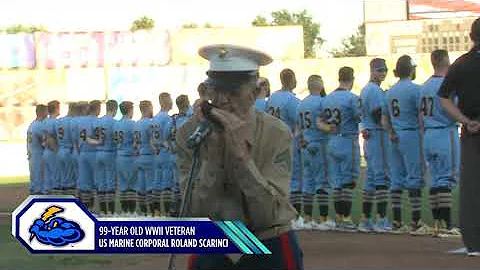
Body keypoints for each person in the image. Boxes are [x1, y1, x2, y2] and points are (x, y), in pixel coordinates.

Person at [176, 44, 303, 269]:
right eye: (215, 91)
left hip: (267, 237)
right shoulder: (190, 133)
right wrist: (212, 159)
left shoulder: (276, 133)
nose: (223, 100)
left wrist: (242, 157)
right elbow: (195, 211)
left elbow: (269, 215)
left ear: (255, 92)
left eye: (234, 92)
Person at [438, 17, 480, 256]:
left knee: (472, 187)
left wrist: (464, 120)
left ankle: (474, 242)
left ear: (471, 37)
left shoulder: (461, 63)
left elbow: (444, 97)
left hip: (472, 130)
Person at [386, 55, 430, 235]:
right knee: (414, 177)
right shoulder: (416, 89)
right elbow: (421, 115)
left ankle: (396, 221)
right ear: (411, 70)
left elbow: (384, 117)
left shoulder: (389, 91)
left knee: (396, 178)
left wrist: (391, 132)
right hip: (411, 134)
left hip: (394, 135)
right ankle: (416, 222)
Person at [419, 49, 461, 237]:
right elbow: (455, 107)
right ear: (447, 62)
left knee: (435, 179)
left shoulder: (424, 85)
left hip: (428, 135)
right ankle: (447, 224)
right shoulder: (448, 84)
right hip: (445, 132)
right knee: (446, 178)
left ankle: (437, 222)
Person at [317, 67, 361, 232]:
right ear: (352, 78)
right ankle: (346, 217)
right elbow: (359, 117)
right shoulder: (352, 98)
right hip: (347, 139)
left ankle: (339, 217)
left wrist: (329, 128)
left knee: (336, 182)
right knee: (348, 181)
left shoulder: (327, 98)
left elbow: (319, 121)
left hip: (332, 140)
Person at [358, 58, 393, 233]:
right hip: (377, 134)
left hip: (370, 134)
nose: (383, 73)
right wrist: (391, 131)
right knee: (381, 176)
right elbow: (378, 114)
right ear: (372, 71)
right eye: (379, 70)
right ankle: (380, 218)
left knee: (371, 178)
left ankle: (366, 219)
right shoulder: (374, 90)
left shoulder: (367, 89)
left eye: (384, 70)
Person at [266, 69, 303, 229]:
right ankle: (294, 216)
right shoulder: (292, 100)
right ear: (292, 79)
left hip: (272, 142)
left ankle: (276, 213)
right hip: (288, 142)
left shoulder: (273, 97)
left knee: (274, 177)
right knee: (294, 178)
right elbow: (299, 123)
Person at [296, 74, 334, 231]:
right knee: (322, 181)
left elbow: (298, 127)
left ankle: (307, 218)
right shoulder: (322, 102)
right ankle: (324, 218)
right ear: (321, 85)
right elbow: (323, 123)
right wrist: (332, 129)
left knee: (308, 182)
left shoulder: (301, 104)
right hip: (319, 144)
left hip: (305, 144)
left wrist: (303, 140)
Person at [88, 100, 118, 216]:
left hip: (98, 153)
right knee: (110, 182)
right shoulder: (114, 122)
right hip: (110, 153)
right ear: (114, 109)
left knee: (101, 182)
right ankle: (110, 211)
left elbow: (88, 139)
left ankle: (102, 211)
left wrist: (98, 142)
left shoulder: (97, 121)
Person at [152, 93, 174, 217]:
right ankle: (166, 212)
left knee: (156, 182)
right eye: (170, 100)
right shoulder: (168, 119)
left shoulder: (155, 118)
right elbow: (167, 137)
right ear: (166, 102)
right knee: (166, 183)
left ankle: (156, 211)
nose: (172, 103)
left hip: (156, 154)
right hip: (165, 153)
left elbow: (151, 139)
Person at [114, 101, 137, 216]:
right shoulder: (132, 123)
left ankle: (123, 211)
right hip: (129, 156)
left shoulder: (116, 124)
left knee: (122, 185)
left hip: (119, 156)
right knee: (132, 184)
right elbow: (136, 141)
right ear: (130, 110)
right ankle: (131, 212)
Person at [77, 100, 101, 211]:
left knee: (85, 183)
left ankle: (87, 209)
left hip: (82, 153)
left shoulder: (79, 121)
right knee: (98, 182)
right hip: (94, 152)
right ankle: (100, 210)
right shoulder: (97, 121)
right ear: (97, 109)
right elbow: (98, 138)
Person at [134, 100, 155, 217]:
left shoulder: (136, 123)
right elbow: (152, 142)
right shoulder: (150, 123)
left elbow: (135, 144)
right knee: (151, 186)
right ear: (148, 108)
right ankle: (152, 213)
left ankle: (142, 213)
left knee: (141, 186)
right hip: (149, 156)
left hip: (139, 157)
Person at [56, 102, 76, 196]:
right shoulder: (72, 121)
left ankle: (63, 201)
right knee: (71, 179)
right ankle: (71, 202)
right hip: (69, 150)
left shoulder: (59, 121)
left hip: (60, 150)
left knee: (63, 179)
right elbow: (74, 138)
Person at [27, 104, 48, 195]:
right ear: (42, 112)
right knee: (40, 182)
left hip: (32, 154)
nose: (47, 114)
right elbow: (44, 142)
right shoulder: (40, 125)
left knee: (34, 181)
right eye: (46, 111)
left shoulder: (32, 124)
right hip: (39, 155)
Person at [42, 100, 60, 195]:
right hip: (52, 151)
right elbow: (50, 138)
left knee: (47, 178)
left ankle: (46, 201)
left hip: (45, 151)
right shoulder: (55, 122)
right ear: (56, 109)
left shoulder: (45, 121)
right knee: (56, 177)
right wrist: (56, 151)